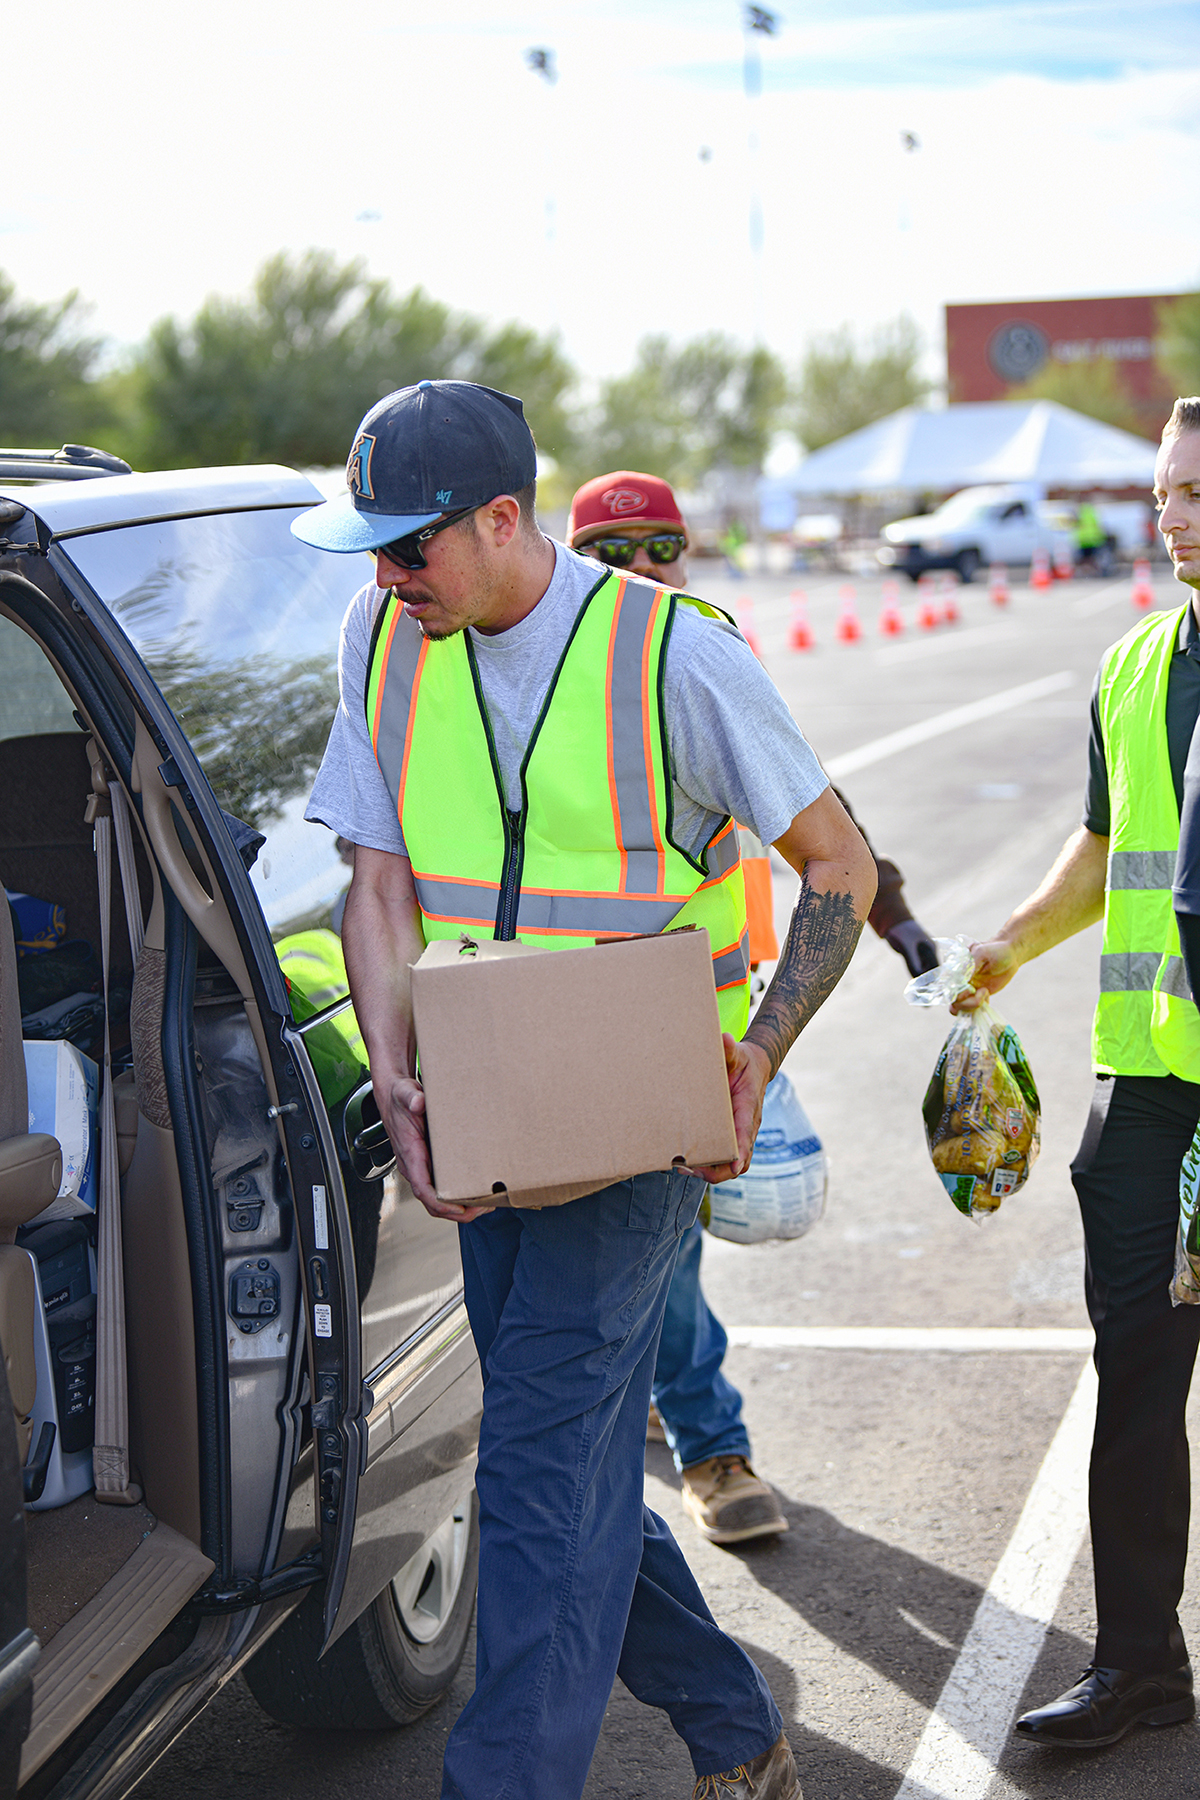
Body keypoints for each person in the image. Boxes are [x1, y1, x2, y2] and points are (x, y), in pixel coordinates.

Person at [297, 379, 877, 1800]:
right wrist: (399, 1077)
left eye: (407, 545)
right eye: (369, 548)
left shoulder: (670, 655)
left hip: (633, 1150)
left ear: (503, 520)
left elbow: (843, 872)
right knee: (575, 1471)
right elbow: (374, 883)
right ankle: (738, 1734)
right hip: (484, 1130)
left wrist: (754, 1060)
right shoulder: (385, 642)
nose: (383, 574)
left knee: (541, 1494)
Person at [567, 470, 937, 1545]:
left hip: (708, 1020)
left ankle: (682, 1412)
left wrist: (896, 921)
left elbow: (820, 811)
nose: (642, 569)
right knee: (659, 1250)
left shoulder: (697, 659)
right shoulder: (549, 684)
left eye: (661, 548)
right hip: (573, 1022)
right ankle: (713, 1446)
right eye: (612, 551)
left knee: (691, 1232)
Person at [960, 396, 1200, 1750]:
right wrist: (1002, 949)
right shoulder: (1132, 668)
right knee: (1139, 1380)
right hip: (1152, 1098)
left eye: (1195, 495)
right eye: (1167, 491)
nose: (1172, 517)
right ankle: (1141, 1666)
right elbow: (1110, 859)